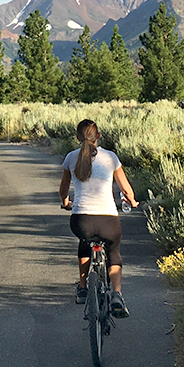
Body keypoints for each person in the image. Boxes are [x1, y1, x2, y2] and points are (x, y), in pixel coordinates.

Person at [59, 119, 138, 318]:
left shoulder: (71, 158)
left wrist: (66, 202)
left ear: (77, 137)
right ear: (99, 136)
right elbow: (126, 190)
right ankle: (117, 295)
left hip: (81, 220)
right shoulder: (110, 158)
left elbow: (63, 190)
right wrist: (133, 202)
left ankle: (84, 287)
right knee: (114, 251)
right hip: (108, 220)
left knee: (84, 242)